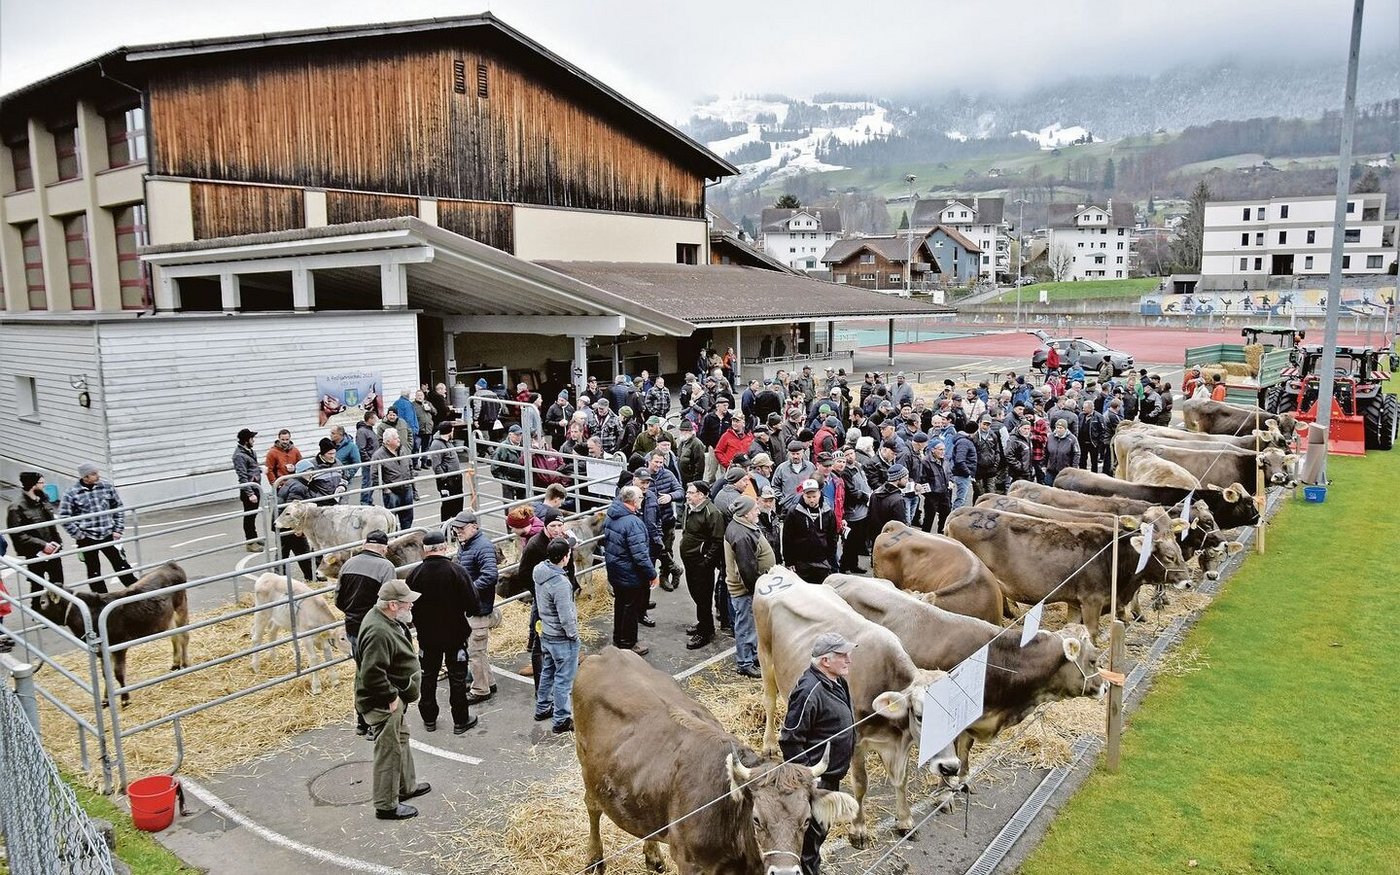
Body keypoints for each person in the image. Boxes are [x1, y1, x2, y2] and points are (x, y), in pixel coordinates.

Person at [780, 631, 857, 875]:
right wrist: (806, 776)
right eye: (842, 655)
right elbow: (790, 738)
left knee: (820, 830)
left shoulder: (837, 681)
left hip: (832, 776)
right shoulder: (808, 691)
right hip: (815, 781)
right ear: (825, 661)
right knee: (810, 837)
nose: (849, 660)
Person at [354, 579, 431, 820]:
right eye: (408, 603)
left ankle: (405, 787)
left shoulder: (385, 619)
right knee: (388, 750)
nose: (411, 606)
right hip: (384, 702)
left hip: (393, 697)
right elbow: (371, 672)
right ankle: (386, 805)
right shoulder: (378, 630)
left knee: (401, 740)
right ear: (393, 605)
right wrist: (390, 696)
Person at [406, 531, 479, 734]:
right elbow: (473, 605)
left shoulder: (415, 574)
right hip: (455, 635)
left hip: (427, 637)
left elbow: (407, 606)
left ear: (424, 550)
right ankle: (460, 720)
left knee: (428, 677)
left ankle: (429, 718)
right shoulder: (457, 571)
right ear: (444, 547)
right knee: (457, 678)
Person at [335, 530, 398, 735]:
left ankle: (361, 721)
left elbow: (338, 599)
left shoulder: (348, 564)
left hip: (353, 627)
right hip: (375, 629)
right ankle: (376, 722)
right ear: (384, 548)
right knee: (378, 672)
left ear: (365, 544)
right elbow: (389, 601)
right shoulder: (386, 566)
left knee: (362, 672)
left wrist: (351, 613)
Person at [58, 463, 137, 593]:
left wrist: (118, 529)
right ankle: (101, 600)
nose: (97, 476)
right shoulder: (72, 493)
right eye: (93, 474)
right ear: (85, 477)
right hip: (87, 538)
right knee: (94, 571)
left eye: (97, 473)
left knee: (122, 566)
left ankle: (137, 593)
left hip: (108, 534)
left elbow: (118, 507)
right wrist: (79, 535)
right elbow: (64, 516)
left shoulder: (106, 487)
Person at [603, 485, 658, 655]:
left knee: (621, 604)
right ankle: (628, 643)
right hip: (629, 573)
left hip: (616, 569)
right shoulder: (633, 522)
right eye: (641, 498)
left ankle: (618, 638)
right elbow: (640, 555)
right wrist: (652, 574)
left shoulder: (612, 514)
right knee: (630, 609)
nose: (642, 500)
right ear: (634, 501)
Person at [451, 511, 499, 704]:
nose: (458, 532)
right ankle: (488, 682)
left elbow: (490, 575)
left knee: (475, 652)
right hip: (474, 606)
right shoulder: (468, 545)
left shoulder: (482, 547)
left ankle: (480, 690)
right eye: (456, 529)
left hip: (478, 608)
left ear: (474, 526)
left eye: (462, 528)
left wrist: (467, 590)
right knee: (479, 650)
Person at [534, 537, 580, 733]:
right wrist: (574, 635)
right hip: (562, 638)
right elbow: (566, 615)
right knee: (563, 679)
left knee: (548, 672)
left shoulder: (539, 571)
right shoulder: (560, 583)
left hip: (546, 632)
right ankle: (561, 720)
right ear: (565, 557)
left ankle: (542, 707)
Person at [724, 495, 773, 679]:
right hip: (745, 591)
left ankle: (751, 656)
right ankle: (745, 663)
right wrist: (756, 592)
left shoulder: (742, 526)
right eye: (755, 509)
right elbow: (746, 569)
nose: (758, 511)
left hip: (747, 589)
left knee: (749, 625)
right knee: (746, 626)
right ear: (745, 514)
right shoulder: (741, 535)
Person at [679, 481, 728, 649]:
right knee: (696, 595)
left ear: (701, 494)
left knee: (703, 598)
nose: (687, 495)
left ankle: (705, 633)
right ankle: (704, 624)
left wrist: (706, 562)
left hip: (701, 564)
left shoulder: (712, 512)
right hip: (690, 561)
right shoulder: (689, 508)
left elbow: (717, 541)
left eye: (691, 492)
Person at [6, 472, 66, 597]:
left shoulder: (43, 499)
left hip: (53, 549)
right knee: (37, 584)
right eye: (42, 482)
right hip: (34, 552)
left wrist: (57, 542)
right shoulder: (16, 507)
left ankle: (56, 610)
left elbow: (51, 525)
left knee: (58, 582)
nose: (44, 485)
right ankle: (37, 611)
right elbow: (17, 533)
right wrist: (42, 545)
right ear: (33, 485)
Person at [782, 479, 838, 584]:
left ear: (820, 494)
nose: (812, 500)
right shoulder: (794, 512)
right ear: (803, 495)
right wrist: (789, 562)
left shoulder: (828, 512)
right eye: (808, 497)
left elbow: (832, 538)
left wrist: (831, 560)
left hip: (822, 561)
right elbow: (787, 539)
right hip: (801, 562)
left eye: (814, 496)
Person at [372, 429, 415, 529]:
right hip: (392, 492)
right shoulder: (378, 456)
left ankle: (404, 538)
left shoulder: (403, 450)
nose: (399, 440)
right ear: (387, 441)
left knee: (408, 518)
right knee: (391, 520)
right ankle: (394, 540)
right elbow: (374, 475)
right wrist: (386, 490)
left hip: (406, 488)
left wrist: (412, 485)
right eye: (396, 438)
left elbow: (410, 466)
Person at [427, 421, 465, 521]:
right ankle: (446, 529)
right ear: (450, 431)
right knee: (448, 506)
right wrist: (444, 478)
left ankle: (455, 528)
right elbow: (436, 465)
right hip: (447, 481)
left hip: (456, 478)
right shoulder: (437, 444)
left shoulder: (447, 442)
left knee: (458, 504)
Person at [232, 429, 263, 550]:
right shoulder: (239, 456)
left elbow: (251, 468)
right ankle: (250, 543)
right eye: (251, 438)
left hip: (255, 487)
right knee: (249, 517)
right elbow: (242, 476)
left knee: (253, 516)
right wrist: (250, 493)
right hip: (249, 490)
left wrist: (260, 470)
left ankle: (254, 538)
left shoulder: (249, 452)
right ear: (246, 440)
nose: (253, 440)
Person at [919, 442, 951, 534]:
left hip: (944, 493)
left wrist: (950, 481)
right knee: (929, 518)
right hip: (932, 494)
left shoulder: (945, 460)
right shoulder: (925, 462)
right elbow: (923, 479)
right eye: (940, 449)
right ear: (933, 450)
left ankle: (941, 537)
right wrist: (928, 494)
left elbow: (949, 473)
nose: (943, 452)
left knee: (945, 516)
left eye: (944, 449)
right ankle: (924, 539)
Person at [329, 424, 365, 506]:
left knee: (343, 503)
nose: (330, 435)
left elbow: (357, 463)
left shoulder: (351, 446)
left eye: (333, 433)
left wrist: (347, 475)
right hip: (331, 480)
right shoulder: (330, 445)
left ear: (340, 434)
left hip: (344, 480)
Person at [491, 425, 527, 503]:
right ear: (510, 435)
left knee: (524, 506)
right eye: (517, 435)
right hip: (509, 481)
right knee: (509, 506)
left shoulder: (524, 445)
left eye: (520, 435)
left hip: (522, 480)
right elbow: (494, 468)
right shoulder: (502, 448)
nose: (519, 437)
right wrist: (505, 480)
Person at [949, 423, 978, 510]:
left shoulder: (963, 441)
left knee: (960, 499)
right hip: (961, 475)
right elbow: (960, 460)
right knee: (960, 500)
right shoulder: (964, 442)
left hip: (961, 474)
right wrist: (968, 473)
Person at [355, 411, 381, 506]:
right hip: (369, 462)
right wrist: (369, 461)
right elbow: (361, 448)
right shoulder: (362, 431)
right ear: (370, 419)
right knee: (367, 482)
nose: (376, 420)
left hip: (373, 460)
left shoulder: (369, 430)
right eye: (374, 418)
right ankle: (365, 502)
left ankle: (368, 500)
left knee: (372, 481)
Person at [1045, 418, 1081, 483]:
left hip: (1065, 472)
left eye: (1061, 428)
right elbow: (1046, 452)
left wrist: (1074, 469)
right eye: (1057, 427)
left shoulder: (1072, 439)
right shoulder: (1050, 437)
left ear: (1065, 428)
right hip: (1050, 470)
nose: (1058, 430)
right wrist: (1045, 465)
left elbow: (1076, 454)